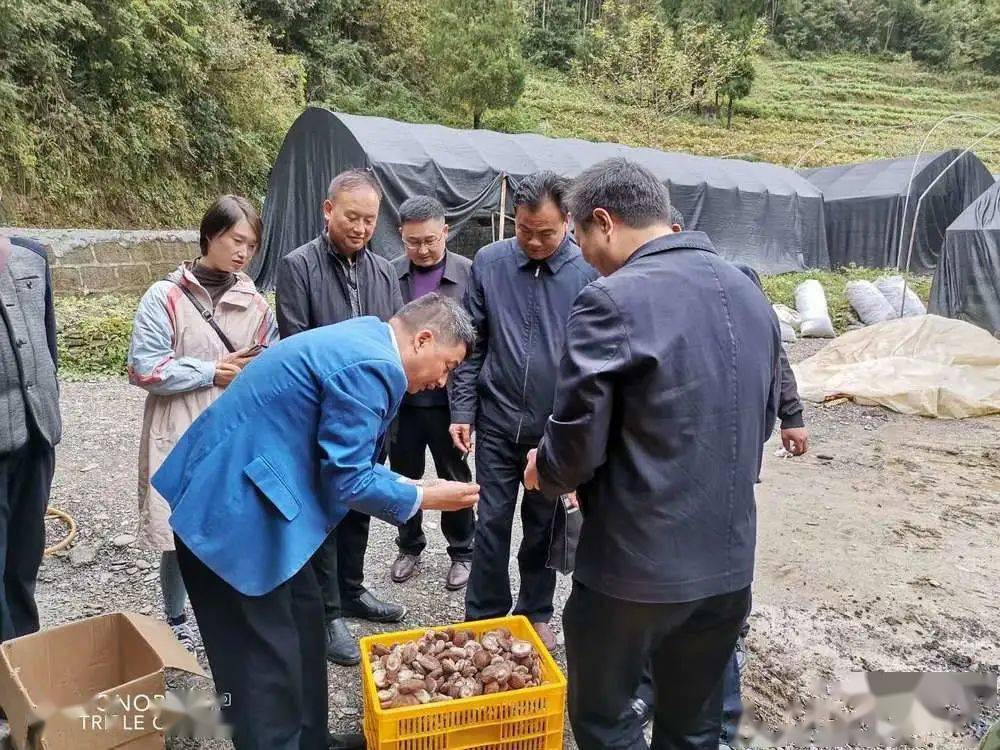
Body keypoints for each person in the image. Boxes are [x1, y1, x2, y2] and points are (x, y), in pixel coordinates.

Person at [523, 158, 781, 749]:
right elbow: (760, 420)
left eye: (582, 238)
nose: (583, 256)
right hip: (727, 566)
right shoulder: (747, 289)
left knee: (605, 719)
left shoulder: (610, 300)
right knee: (693, 725)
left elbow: (577, 440)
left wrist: (547, 471)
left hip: (632, 572)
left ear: (604, 223)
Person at [152, 294, 480, 750]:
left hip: (265, 500)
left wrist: (406, 484)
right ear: (423, 340)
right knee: (262, 665)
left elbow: (343, 455)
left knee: (305, 626)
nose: (442, 381)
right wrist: (423, 496)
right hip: (234, 518)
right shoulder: (374, 365)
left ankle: (311, 739)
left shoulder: (368, 337)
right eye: (447, 366)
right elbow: (347, 478)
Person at [628, 208, 811, 746]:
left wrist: (792, 416)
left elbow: (775, 361)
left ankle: (724, 720)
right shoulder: (648, 298)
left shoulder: (740, 289)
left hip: (724, 480)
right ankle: (650, 690)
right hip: (667, 482)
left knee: (716, 605)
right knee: (656, 597)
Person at [450, 171, 598, 650]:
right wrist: (463, 410)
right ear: (513, 218)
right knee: (490, 520)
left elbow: (592, 363)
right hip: (495, 422)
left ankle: (535, 610)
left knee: (544, 525)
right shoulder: (490, 264)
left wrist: (579, 436)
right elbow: (473, 346)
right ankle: (484, 614)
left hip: (552, 431)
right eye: (524, 229)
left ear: (569, 222)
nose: (534, 241)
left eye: (547, 233)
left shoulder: (586, 274)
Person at [127, 195, 277, 651]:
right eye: (236, 240)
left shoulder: (255, 302)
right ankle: (176, 618)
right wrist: (211, 370)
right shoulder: (165, 297)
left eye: (251, 245)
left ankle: (224, 615)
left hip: (233, 428)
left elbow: (269, 359)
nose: (243, 252)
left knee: (229, 521)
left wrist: (251, 371)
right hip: (177, 425)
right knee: (176, 530)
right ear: (210, 235)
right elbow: (145, 368)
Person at [275, 168, 406, 667]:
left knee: (360, 512)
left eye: (370, 220)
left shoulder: (382, 271)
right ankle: (328, 613)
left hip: (373, 420)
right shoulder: (298, 266)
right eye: (352, 216)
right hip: (323, 421)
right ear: (328, 210)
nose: (361, 227)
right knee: (326, 517)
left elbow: (391, 346)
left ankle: (352, 590)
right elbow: (297, 344)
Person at [388, 196, 476, 590]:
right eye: (412, 242)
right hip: (402, 401)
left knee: (453, 475)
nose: (422, 250)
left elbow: (475, 345)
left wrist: (466, 410)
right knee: (402, 476)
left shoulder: (470, 274)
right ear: (400, 237)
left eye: (429, 240)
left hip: (448, 403)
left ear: (445, 231)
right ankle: (409, 546)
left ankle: (462, 551)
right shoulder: (389, 273)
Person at [0, 234, 60, 643]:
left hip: (37, 434)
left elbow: (48, 347)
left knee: (24, 559)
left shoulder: (31, 257)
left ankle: (25, 658)